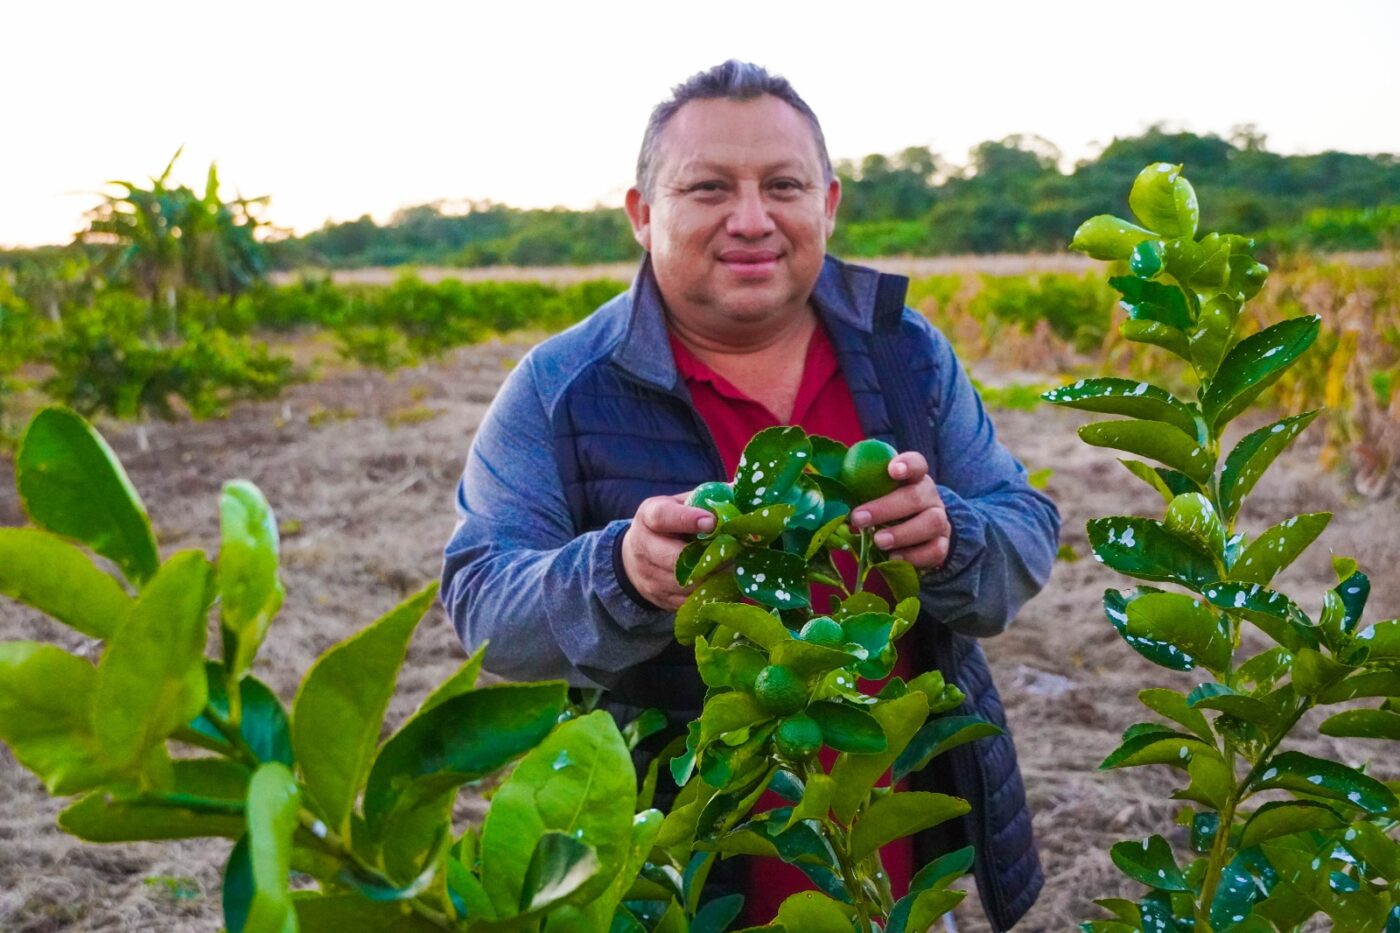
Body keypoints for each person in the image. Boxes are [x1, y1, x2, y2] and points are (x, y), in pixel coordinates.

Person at [441, 60, 1059, 931]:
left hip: (896, 871)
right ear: (643, 214)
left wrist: (953, 536)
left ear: (829, 204)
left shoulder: (907, 354)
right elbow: (482, 604)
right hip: (676, 877)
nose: (751, 219)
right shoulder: (560, 388)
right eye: (708, 188)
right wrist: (621, 573)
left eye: (783, 185)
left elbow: (1026, 530)